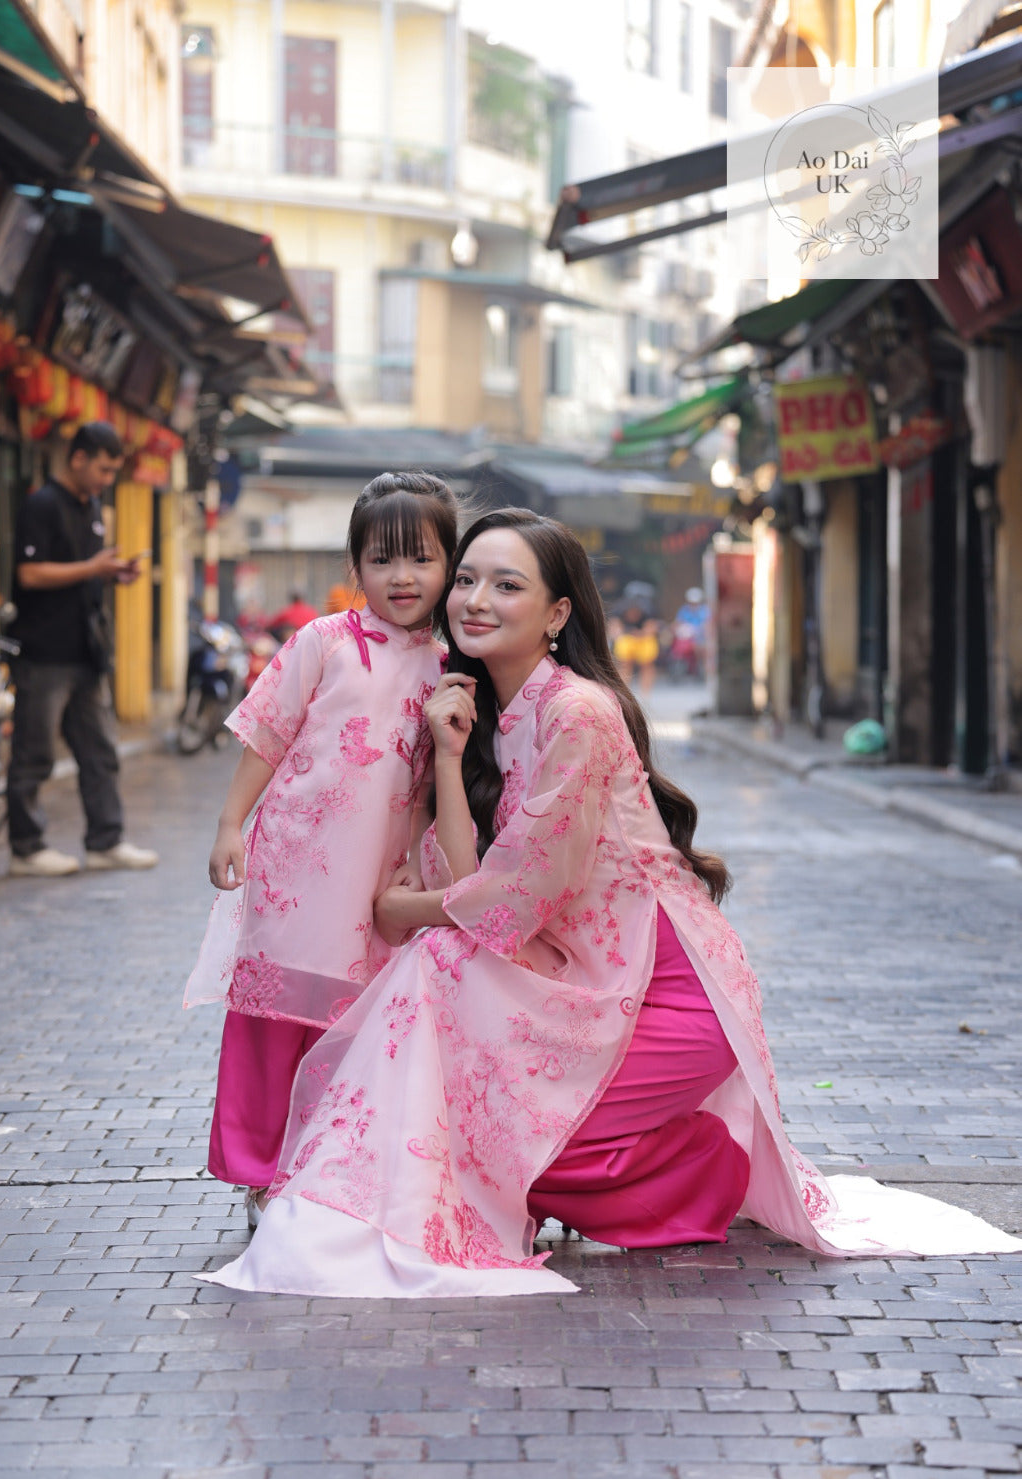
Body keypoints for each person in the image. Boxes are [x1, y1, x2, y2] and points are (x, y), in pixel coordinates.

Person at [201, 510, 1021, 1299]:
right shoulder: (487, 709)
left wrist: (403, 911)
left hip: (665, 993)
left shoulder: (578, 713)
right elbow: (468, 872)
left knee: (509, 1131)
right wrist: (449, 759)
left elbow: (512, 898)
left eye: (507, 586)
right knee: (480, 1082)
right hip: (578, 979)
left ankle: (705, 1170)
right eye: (471, 581)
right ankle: (664, 1162)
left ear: (558, 612)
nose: (477, 601)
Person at [184, 471, 458, 1229]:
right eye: (382, 560)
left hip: (380, 875)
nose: (402, 577)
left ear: (449, 565)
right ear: (355, 566)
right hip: (296, 867)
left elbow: (439, 781)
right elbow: (267, 733)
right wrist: (230, 823)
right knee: (276, 1019)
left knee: (357, 1019)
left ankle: (334, 1167)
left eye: (422, 559)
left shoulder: (452, 668)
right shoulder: (323, 644)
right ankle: (259, 1169)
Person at [6, 422, 159, 877]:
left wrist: (111, 572)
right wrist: (91, 567)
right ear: (78, 458)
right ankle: (26, 849)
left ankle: (105, 841)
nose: (108, 480)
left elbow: (83, 571)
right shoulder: (41, 504)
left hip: (86, 652)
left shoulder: (92, 506)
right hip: (43, 652)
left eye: (114, 472)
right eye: (104, 469)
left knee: (99, 752)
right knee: (34, 754)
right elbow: (29, 574)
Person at [612, 580, 661, 693]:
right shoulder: (621, 606)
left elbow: (652, 626)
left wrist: (640, 634)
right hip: (626, 637)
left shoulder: (649, 607)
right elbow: (615, 625)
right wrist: (620, 635)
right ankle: (624, 693)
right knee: (625, 664)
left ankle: (645, 694)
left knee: (647, 665)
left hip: (643, 637)